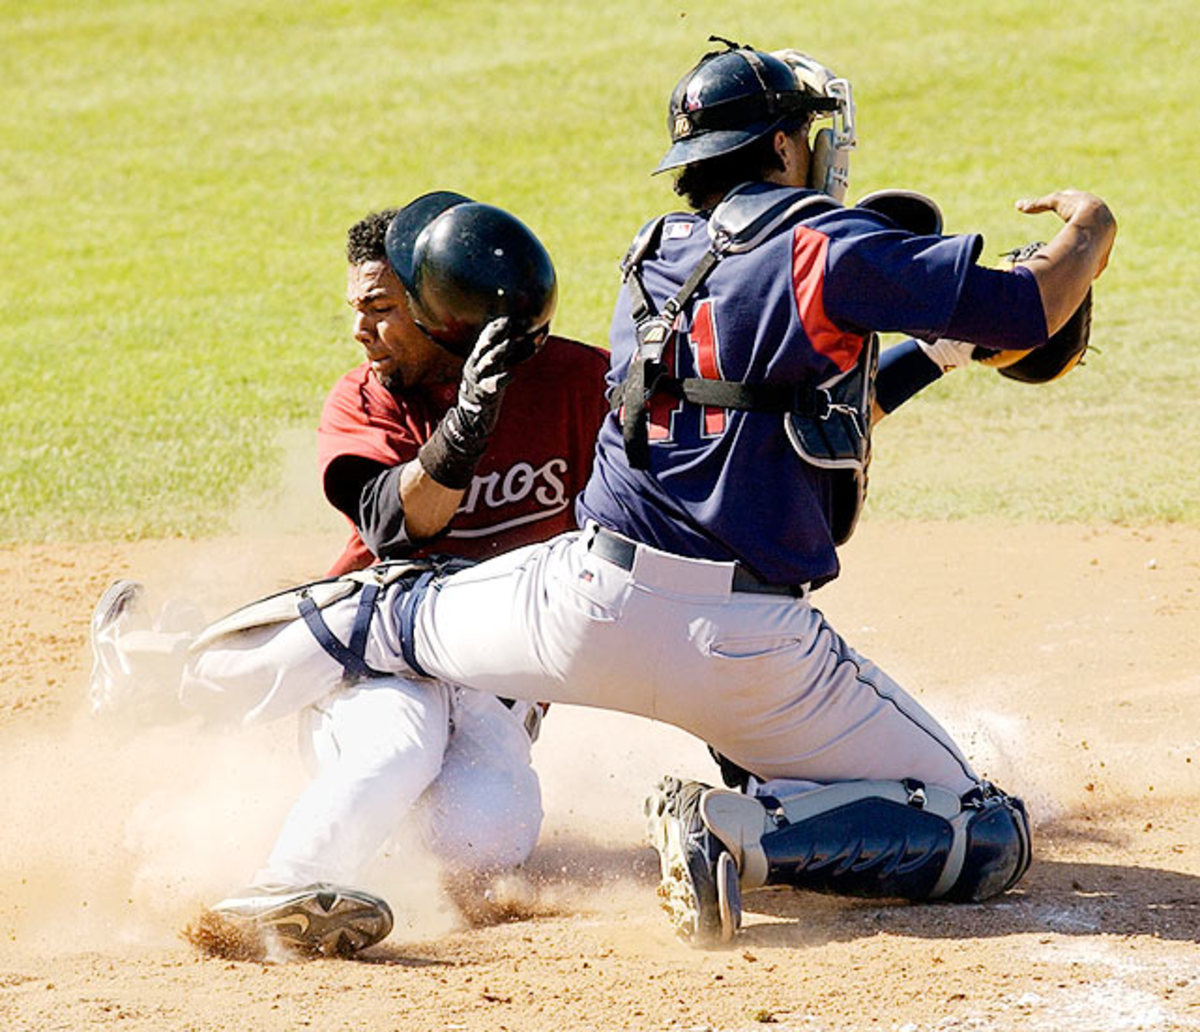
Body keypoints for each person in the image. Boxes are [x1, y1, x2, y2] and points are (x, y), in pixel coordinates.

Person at [96, 41, 1116, 950]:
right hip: (752, 656)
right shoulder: (828, 246)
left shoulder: (653, 262)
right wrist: (1091, 226)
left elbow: (772, 403)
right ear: (779, 149)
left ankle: (166, 669)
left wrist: (930, 348)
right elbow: (1033, 301)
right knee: (984, 824)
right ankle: (739, 835)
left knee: (387, 610)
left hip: (580, 610)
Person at [89, 194, 609, 956]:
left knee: (477, 852)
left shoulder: (574, 382)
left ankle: (353, 853)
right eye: (355, 309)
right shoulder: (366, 397)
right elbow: (397, 524)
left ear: (444, 306)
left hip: (495, 674)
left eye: (379, 308)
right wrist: (466, 428)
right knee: (398, 745)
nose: (359, 329)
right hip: (376, 653)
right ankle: (285, 883)